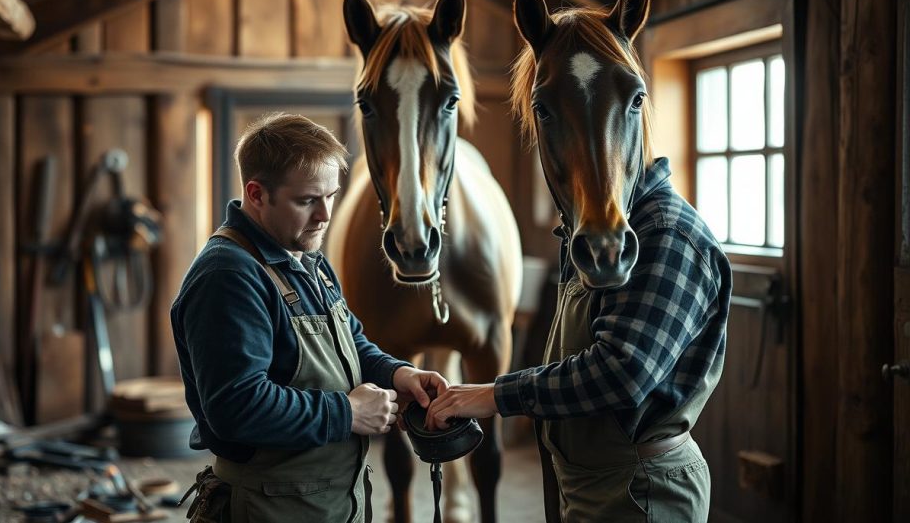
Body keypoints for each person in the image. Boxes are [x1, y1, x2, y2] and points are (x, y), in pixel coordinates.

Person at [172, 113, 448, 523]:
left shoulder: (307, 259)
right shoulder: (228, 276)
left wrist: (398, 375)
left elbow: (351, 344)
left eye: (331, 196)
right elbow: (236, 407)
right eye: (307, 201)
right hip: (268, 508)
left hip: (328, 502)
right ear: (256, 194)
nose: (325, 215)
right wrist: (348, 414)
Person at [425, 158, 731, 522]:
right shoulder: (595, 227)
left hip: (638, 490)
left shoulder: (667, 236)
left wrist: (494, 395)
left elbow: (621, 373)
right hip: (587, 483)